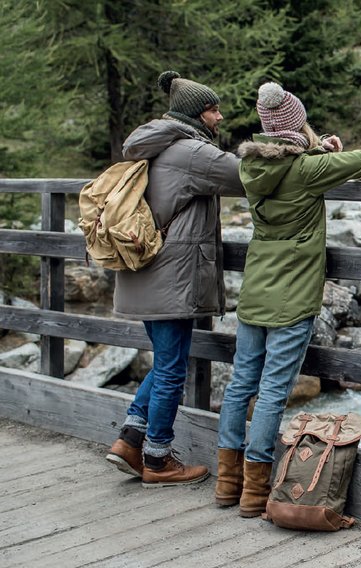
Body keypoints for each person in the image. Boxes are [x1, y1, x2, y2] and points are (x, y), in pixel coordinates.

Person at [215, 82, 361, 517]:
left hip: (255, 291)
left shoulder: (250, 166)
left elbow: (288, 163)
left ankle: (227, 483)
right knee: (271, 392)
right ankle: (255, 490)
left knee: (240, 385)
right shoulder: (306, 169)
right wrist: (323, 147)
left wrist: (312, 147)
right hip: (293, 295)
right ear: (296, 125)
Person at [105, 71, 244, 488]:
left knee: (166, 362)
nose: (219, 117)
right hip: (172, 276)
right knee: (170, 369)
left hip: (146, 272)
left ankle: (130, 440)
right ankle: (158, 458)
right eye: (213, 110)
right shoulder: (192, 152)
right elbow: (248, 176)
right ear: (196, 115)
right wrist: (301, 148)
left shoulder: (154, 145)